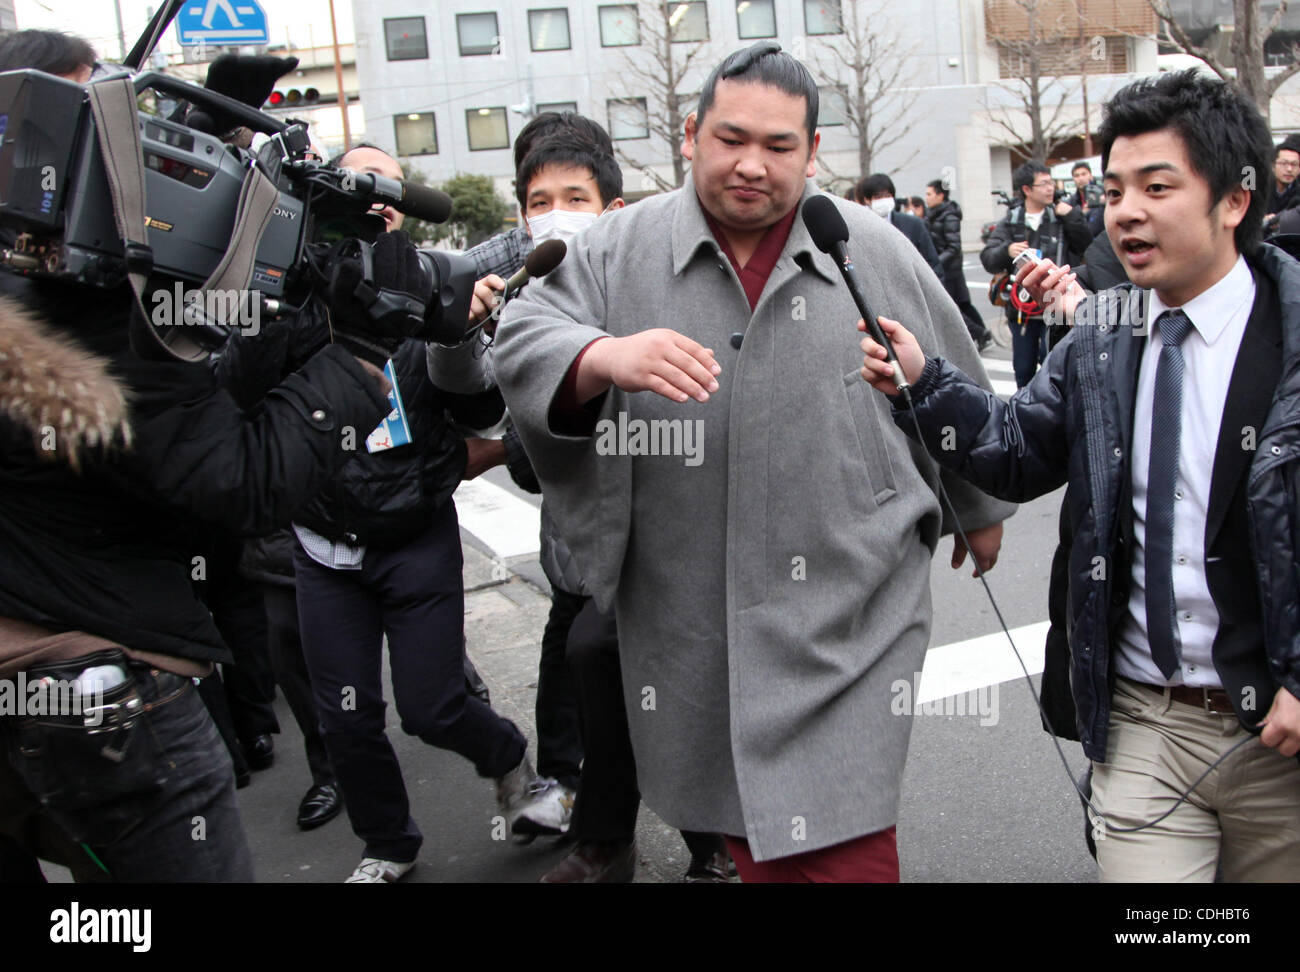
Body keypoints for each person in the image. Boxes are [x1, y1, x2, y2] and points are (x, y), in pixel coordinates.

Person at [491, 40, 1015, 882]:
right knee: (754, 827)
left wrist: (978, 508)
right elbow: (524, 337)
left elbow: (943, 373)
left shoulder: (867, 248)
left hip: (851, 610)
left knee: (845, 841)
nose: (751, 165)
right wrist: (601, 359)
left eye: (779, 147)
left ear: (812, 153)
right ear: (691, 133)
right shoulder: (619, 247)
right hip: (690, 603)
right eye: (731, 139)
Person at [856, 69, 1300, 882]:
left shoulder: (1292, 334)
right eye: (1115, 187)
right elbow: (1020, 450)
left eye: (1156, 187)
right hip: (1144, 723)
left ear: (1234, 201)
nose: (1123, 210)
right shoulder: (1104, 336)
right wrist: (924, 384)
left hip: (1281, 733)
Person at [0, 31, 401, 882]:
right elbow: (243, 481)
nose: (125, 151)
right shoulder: (78, 312)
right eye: (100, 121)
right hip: (100, 697)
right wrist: (361, 352)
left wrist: (205, 150)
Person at [223, 143, 568, 883]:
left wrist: (460, 334)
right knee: (345, 718)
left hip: (414, 535)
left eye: (389, 192)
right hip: (322, 549)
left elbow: (479, 414)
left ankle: (516, 772)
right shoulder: (289, 294)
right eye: (358, 189)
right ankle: (388, 844)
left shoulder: (432, 286)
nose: (376, 203)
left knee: (433, 706)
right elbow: (241, 394)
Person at [434, 123, 735, 882]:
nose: (559, 214)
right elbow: (483, 405)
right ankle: (602, 831)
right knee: (592, 668)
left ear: (616, 206)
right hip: (580, 547)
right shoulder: (521, 289)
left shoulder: (661, 275)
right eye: (541, 201)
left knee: (643, 675)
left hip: (673, 535)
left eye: (577, 198)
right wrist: (460, 328)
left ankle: (704, 841)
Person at [981, 161, 1091, 387]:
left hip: (1057, 307)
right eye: (1044, 184)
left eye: (1051, 183)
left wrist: (1072, 217)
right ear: (1027, 190)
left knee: (1057, 368)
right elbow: (988, 259)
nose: (1050, 188)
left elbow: (1086, 245)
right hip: (1022, 312)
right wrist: (1007, 250)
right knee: (1023, 370)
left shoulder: (1062, 217)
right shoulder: (1011, 221)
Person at [923, 178, 994, 350]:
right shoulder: (934, 214)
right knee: (963, 304)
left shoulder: (949, 215)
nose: (926, 198)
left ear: (940, 195)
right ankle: (983, 334)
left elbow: (953, 247)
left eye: (929, 194)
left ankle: (979, 334)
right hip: (949, 268)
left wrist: (936, 263)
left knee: (953, 307)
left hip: (949, 270)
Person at [853, 174, 946, 285]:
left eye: (887, 195)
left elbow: (932, 263)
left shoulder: (913, 224)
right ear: (867, 200)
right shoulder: (859, 228)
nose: (883, 200)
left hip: (911, 290)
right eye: (878, 196)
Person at [1263, 135, 1300, 236]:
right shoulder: (1259, 189)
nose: (1289, 169)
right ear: (1273, 166)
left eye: (1294, 164)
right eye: (1284, 163)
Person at [1068, 161, 1106, 237]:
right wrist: (1081, 214)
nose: (1081, 178)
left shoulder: (1104, 194)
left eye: (1084, 174)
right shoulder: (1071, 201)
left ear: (1090, 176)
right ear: (1073, 179)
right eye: (1077, 176)